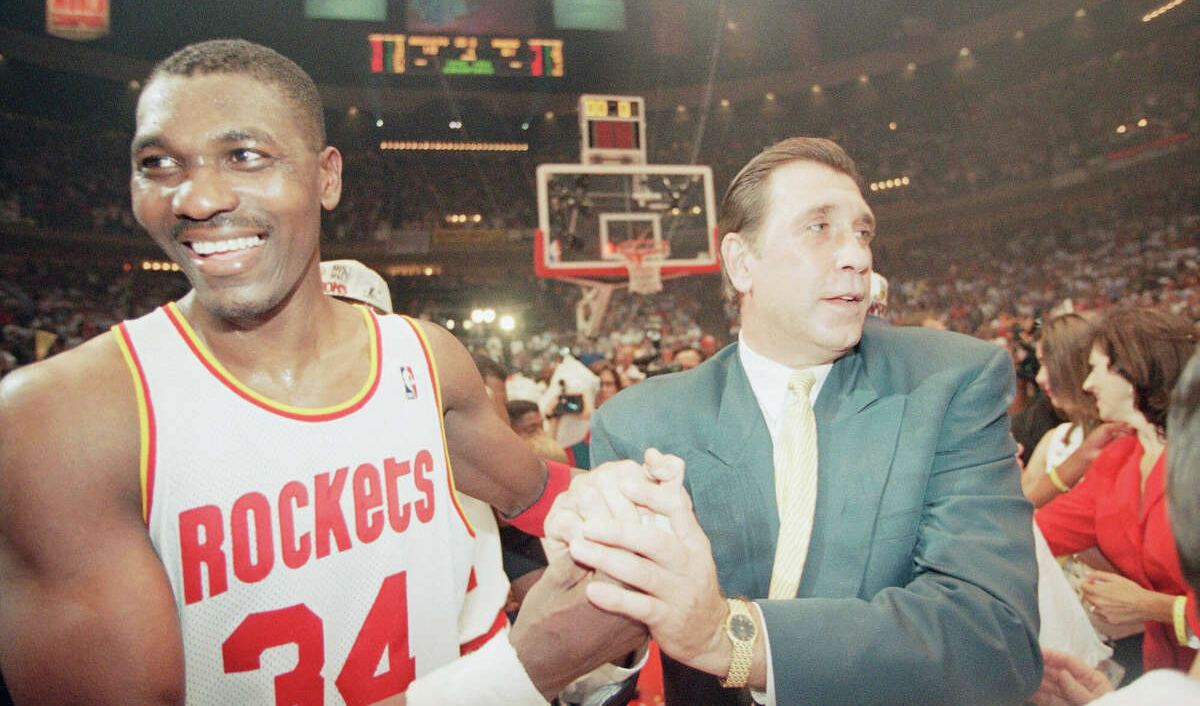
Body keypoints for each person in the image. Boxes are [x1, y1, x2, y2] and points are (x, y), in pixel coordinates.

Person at [0, 39, 644, 705]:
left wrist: (636, 506)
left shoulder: (425, 361)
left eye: (243, 155)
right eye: (158, 163)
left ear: (327, 177)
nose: (196, 198)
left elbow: (541, 493)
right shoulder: (58, 424)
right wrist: (518, 673)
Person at [550, 137, 1041, 704]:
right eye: (819, 228)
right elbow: (604, 674)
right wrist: (597, 596)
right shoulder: (642, 423)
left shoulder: (951, 384)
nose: (857, 254)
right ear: (741, 262)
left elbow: (994, 640)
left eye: (862, 231)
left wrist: (732, 639)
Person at [1030, 346, 1200, 704]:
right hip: (1162, 675)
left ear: (1134, 370)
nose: (1088, 383)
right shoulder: (1119, 459)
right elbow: (1036, 532)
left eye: (1096, 369)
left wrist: (1156, 607)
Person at [1022, 313, 1130, 507]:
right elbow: (1015, 511)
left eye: (1047, 364)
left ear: (1071, 364)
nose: (1039, 377)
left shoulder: (1125, 436)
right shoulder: (1054, 440)